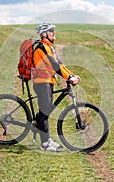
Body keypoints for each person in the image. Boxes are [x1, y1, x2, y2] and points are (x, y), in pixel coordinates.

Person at [33, 22, 80, 152]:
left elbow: (59, 64)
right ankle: (45, 144)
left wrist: (70, 75)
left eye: (54, 31)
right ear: (44, 34)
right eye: (51, 31)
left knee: (46, 112)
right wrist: (68, 78)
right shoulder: (42, 47)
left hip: (48, 82)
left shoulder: (49, 48)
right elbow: (54, 65)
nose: (54, 33)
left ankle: (46, 138)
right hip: (42, 83)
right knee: (44, 113)